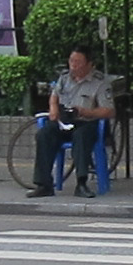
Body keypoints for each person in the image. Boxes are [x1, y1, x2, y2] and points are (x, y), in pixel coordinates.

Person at [35, 48, 114, 196]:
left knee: (81, 136)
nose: (73, 65)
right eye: (71, 61)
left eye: (78, 62)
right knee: (44, 134)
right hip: (64, 122)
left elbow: (109, 111)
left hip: (87, 122)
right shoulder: (65, 78)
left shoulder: (100, 82)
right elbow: (54, 95)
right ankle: (44, 184)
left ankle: (81, 183)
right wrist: (53, 109)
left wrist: (86, 112)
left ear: (89, 64)